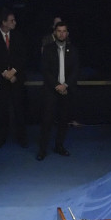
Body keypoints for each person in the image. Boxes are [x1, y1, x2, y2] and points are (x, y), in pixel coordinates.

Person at [35, 19, 78, 160]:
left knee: (64, 120)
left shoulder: (73, 50)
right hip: (50, 90)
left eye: (64, 31)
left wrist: (65, 85)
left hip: (66, 90)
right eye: (59, 31)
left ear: (67, 33)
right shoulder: (48, 49)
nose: (61, 34)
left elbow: (75, 71)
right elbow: (44, 70)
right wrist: (57, 85)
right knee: (47, 121)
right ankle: (42, 150)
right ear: (55, 33)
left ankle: (59, 146)